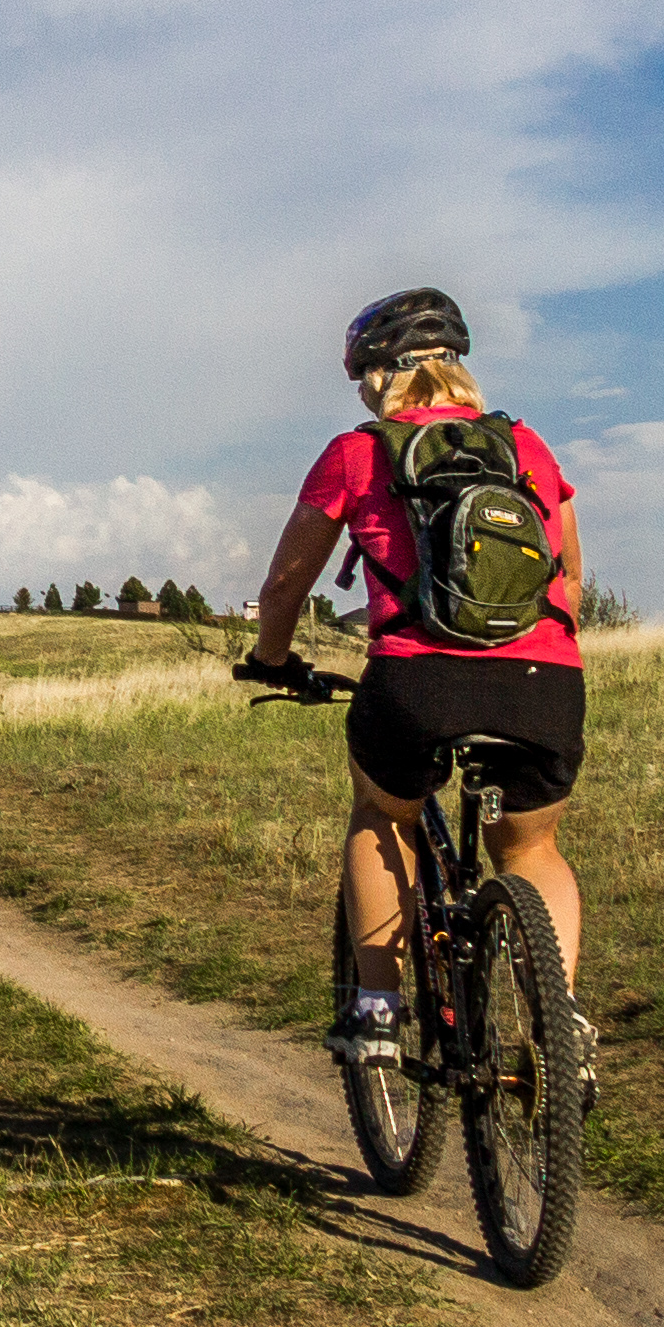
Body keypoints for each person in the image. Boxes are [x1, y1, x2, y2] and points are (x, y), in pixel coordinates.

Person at [244, 286, 590, 1063]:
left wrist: (271, 656)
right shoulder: (526, 445)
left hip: (415, 679)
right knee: (531, 849)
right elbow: (565, 569)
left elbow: (284, 586)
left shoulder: (357, 452)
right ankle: (560, 1024)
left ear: (375, 376)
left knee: (383, 813)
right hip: (542, 675)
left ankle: (375, 1007)